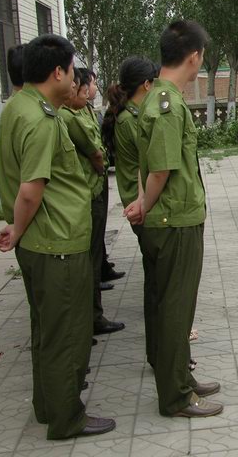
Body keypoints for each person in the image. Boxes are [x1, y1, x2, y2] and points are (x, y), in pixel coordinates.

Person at [0, 34, 115, 439]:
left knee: (46, 329)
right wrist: (17, 228)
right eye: (71, 69)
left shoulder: (18, 106)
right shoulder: (41, 120)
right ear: (58, 73)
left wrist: (19, 230)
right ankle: (67, 418)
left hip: (40, 242)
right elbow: (31, 189)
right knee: (67, 333)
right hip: (56, 242)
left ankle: (48, 406)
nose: (76, 78)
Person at [126, 20, 223, 418]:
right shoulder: (166, 102)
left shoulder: (159, 97)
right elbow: (161, 170)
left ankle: (181, 377)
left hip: (172, 218)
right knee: (175, 309)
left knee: (174, 306)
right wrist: (145, 205)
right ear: (195, 56)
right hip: (174, 222)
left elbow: (150, 165)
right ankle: (176, 396)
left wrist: (142, 202)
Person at [59, 68, 125, 337]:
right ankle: (93, 318)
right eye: (84, 86)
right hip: (88, 190)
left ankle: (93, 315)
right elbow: (94, 153)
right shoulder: (68, 116)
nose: (88, 90)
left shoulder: (80, 111)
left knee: (95, 254)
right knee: (91, 257)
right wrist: (101, 168)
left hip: (93, 188)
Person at [102, 57, 158, 367]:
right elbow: (147, 159)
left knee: (156, 270)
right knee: (157, 274)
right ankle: (160, 345)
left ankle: (162, 342)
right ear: (146, 85)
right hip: (139, 200)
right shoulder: (129, 120)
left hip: (139, 197)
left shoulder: (131, 115)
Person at [83, 70, 125, 285]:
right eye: (92, 83)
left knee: (99, 231)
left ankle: (102, 267)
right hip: (92, 181)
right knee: (94, 233)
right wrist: (101, 168)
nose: (94, 87)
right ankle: (96, 277)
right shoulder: (73, 115)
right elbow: (95, 151)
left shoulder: (89, 110)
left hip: (98, 180)